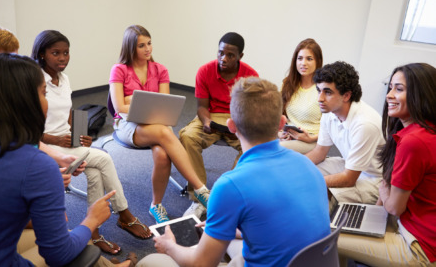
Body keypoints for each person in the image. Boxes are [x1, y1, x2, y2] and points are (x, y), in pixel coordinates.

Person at [137, 77, 331, 267]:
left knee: (149, 262)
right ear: (282, 123)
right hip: (310, 262)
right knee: (230, 240)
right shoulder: (308, 166)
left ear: (231, 127)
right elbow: (285, 224)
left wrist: (169, 245)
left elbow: (201, 263)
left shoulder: (230, 185)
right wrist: (234, 230)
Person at [0, 53, 136, 267]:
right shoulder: (35, 165)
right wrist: (92, 219)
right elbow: (58, 254)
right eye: (43, 93)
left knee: (71, 235)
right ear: (24, 102)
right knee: (73, 240)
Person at [31, 30, 152, 255]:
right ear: (41, 54)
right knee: (104, 158)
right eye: (55, 53)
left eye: (66, 52)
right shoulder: (35, 81)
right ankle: (124, 214)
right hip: (46, 145)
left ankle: (93, 233)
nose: (62, 58)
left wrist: (79, 134)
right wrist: (55, 138)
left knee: (95, 172)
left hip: (66, 140)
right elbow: (28, 130)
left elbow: (68, 113)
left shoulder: (64, 78)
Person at [109, 25, 210, 224]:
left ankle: (156, 205)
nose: (147, 49)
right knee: (164, 133)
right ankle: (201, 189)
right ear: (130, 48)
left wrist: (133, 98)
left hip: (156, 122)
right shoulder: (119, 70)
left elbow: (164, 104)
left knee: (163, 155)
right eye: (141, 46)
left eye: (149, 43)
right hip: (127, 124)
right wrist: (133, 102)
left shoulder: (160, 69)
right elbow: (119, 106)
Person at [338, 63, 436, 267]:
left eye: (398, 89)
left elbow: (394, 207)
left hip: (419, 246)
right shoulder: (421, 132)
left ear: (422, 94)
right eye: (390, 88)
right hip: (413, 227)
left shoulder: (414, 141)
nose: (389, 95)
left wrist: (384, 190)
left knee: (326, 236)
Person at [0, 21, 87, 191]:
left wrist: (59, 158)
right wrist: (38, 179)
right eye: (6, 62)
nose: (14, 70)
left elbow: (24, 139)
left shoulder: (8, 101)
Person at [179, 32, 259, 218]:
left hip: (238, 118)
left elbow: (251, 110)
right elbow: (201, 107)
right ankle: (200, 196)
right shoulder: (205, 71)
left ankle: (228, 193)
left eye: (230, 55)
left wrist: (239, 125)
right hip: (211, 116)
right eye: (221, 53)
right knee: (187, 136)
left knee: (254, 146)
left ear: (240, 56)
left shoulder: (250, 75)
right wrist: (206, 121)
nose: (224, 58)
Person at [305, 61, 384, 204]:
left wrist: (311, 184)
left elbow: (348, 178)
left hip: (373, 179)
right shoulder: (329, 111)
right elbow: (319, 152)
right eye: (319, 90)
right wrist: (292, 166)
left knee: (322, 191)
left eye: (327, 92)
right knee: (304, 173)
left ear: (346, 96)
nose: (320, 98)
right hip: (349, 165)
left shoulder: (365, 124)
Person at [279, 38, 323, 154]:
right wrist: (281, 133)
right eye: (300, 58)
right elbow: (280, 115)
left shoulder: (323, 89)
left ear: (318, 61)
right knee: (258, 144)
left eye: (309, 59)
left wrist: (310, 138)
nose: (303, 63)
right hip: (289, 136)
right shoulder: (288, 84)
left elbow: (332, 128)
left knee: (275, 150)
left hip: (311, 140)